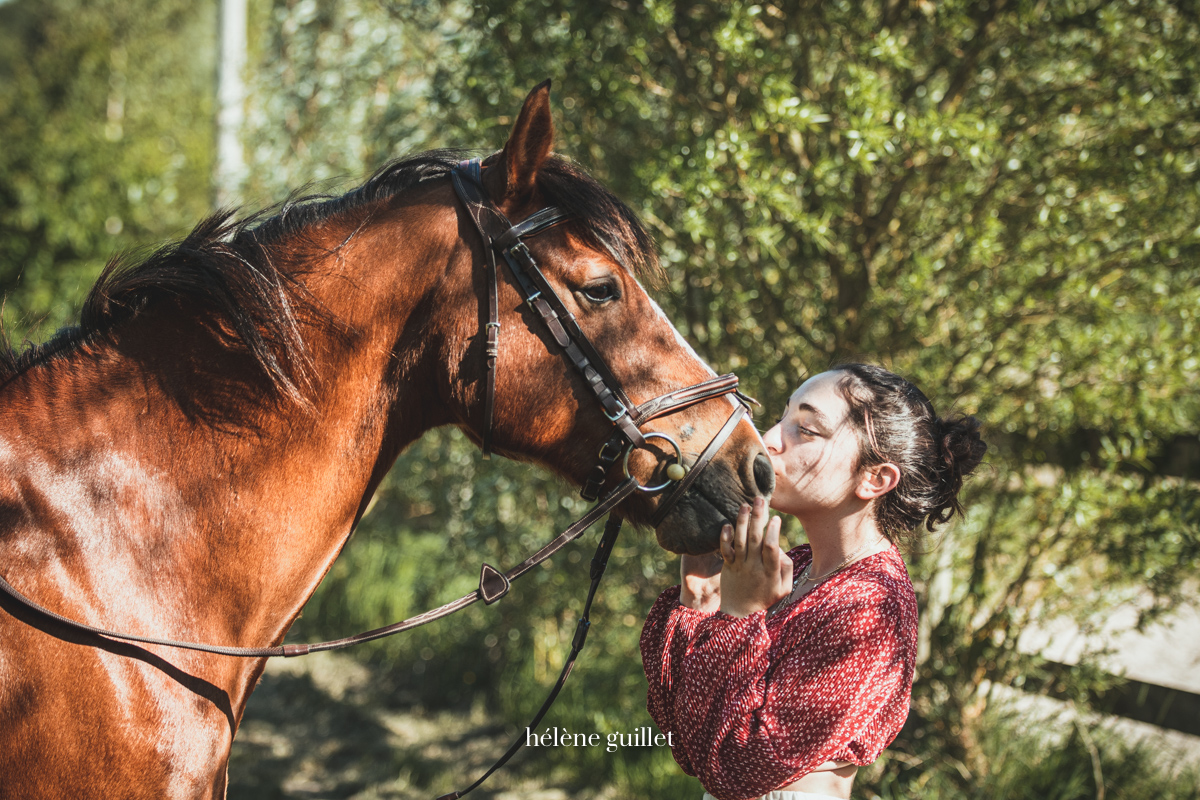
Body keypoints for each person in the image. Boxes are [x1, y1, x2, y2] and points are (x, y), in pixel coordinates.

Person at [641, 364, 987, 800]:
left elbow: (737, 769)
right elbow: (690, 746)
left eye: (805, 429)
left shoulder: (871, 606)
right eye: (783, 416)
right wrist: (703, 596)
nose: (768, 438)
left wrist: (741, 615)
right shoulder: (795, 566)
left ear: (874, 478)